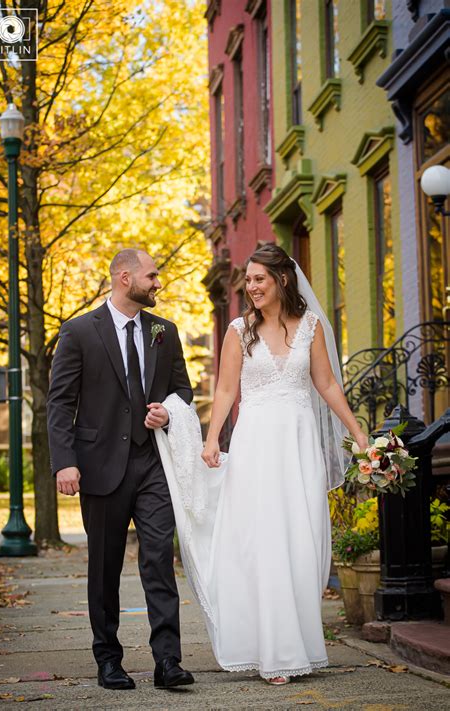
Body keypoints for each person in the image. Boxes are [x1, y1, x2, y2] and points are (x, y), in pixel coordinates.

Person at [155, 242, 368, 686]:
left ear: (281, 281)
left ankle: (300, 646)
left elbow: (326, 384)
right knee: (265, 540)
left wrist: (358, 432)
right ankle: (273, 651)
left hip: (298, 443)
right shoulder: (238, 330)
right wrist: (212, 439)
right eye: (248, 280)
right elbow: (227, 390)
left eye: (258, 279)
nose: (251, 287)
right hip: (256, 446)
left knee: (300, 538)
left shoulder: (309, 326)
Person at [47, 249, 195, 691]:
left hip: (153, 465)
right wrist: (65, 462)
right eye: (152, 276)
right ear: (125, 277)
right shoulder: (78, 332)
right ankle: (108, 660)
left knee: (159, 563)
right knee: (104, 567)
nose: (158, 284)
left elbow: (183, 392)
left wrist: (167, 415)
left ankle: (168, 662)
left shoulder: (164, 332)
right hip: (99, 468)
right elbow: (60, 403)